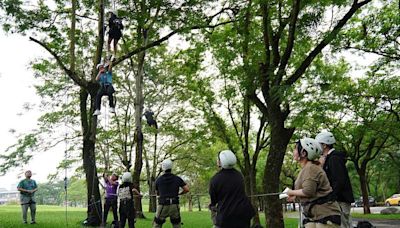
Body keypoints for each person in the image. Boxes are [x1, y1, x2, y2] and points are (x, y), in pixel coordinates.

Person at [286, 138, 341, 228]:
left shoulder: (311, 168)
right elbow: (310, 190)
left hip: (325, 215)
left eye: (295, 148)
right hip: (313, 216)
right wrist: (295, 195)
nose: (294, 151)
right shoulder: (306, 168)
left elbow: (308, 191)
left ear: (303, 153)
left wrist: (291, 192)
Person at [316, 131, 354, 228]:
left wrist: (330, 196)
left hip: (340, 200)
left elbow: (339, 180)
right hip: (337, 199)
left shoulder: (334, 158)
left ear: (324, 145)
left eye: (318, 144)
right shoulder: (328, 158)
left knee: (343, 225)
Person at [209, 150, 255, 228]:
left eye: (218, 159)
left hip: (226, 216)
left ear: (221, 162)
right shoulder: (239, 175)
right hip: (244, 213)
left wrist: (211, 206)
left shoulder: (215, 179)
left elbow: (214, 200)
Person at [153, 159, 189, 228]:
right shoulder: (177, 178)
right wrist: (180, 193)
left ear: (163, 167)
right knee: (176, 224)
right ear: (171, 167)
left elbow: (157, 193)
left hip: (163, 205)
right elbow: (187, 189)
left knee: (157, 224)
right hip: (174, 205)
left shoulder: (158, 180)